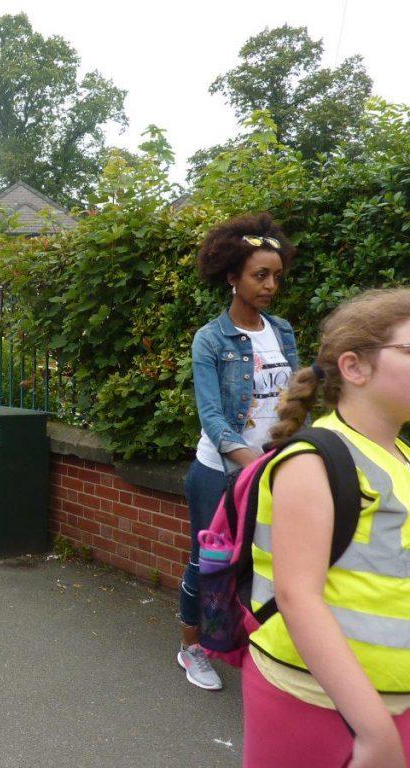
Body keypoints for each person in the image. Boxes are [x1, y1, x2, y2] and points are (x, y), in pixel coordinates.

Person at [241, 288, 410, 766]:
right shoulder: (313, 460)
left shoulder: (401, 457)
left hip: (391, 699)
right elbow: (298, 597)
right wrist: (374, 731)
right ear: (355, 368)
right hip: (319, 703)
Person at [178, 213, 298, 691]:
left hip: (274, 469)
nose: (270, 286)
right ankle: (192, 647)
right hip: (220, 473)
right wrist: (256, 465)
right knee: (208, 562)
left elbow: (293, 402)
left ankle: (253, 646)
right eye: (259, 275)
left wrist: (296, 456)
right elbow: (213, 417)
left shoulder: (282, 331)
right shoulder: (210, 339)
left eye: (276, 276)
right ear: (232, 277)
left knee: (266, 561)